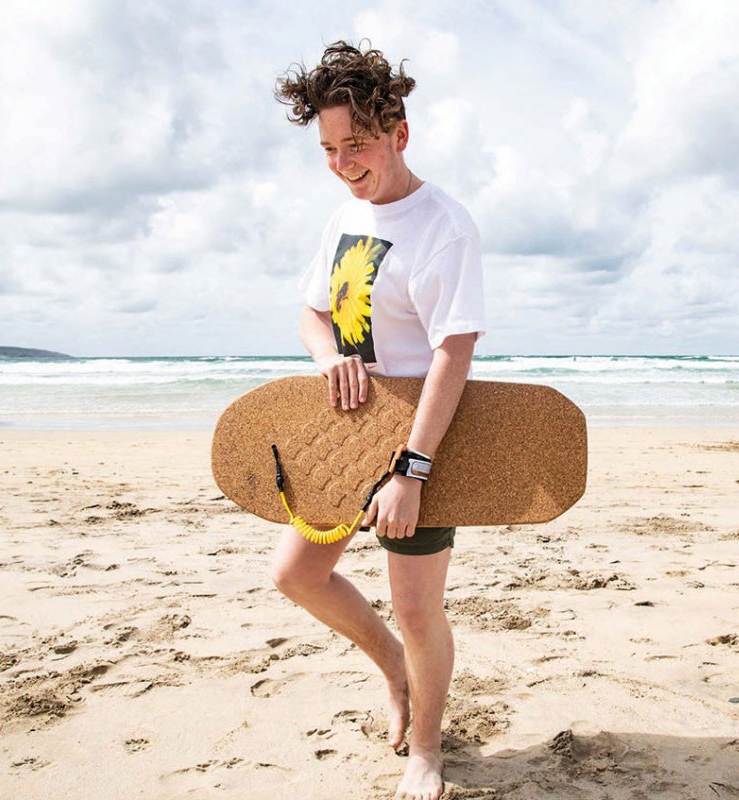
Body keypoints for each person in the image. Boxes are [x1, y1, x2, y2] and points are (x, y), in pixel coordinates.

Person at [272, 40, 485, 800]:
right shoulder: (342, 216)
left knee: (418, 605)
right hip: (347, 434)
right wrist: (328, 355)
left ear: (398, 132)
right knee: (296, 574)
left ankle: (426, 748)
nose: (341, 162)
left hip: (420, 441)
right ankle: (393, 665)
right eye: (328, 148)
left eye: (354, 145)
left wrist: (413, 470)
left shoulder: (443, 227)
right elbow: (310, 312)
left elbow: (452, 354)